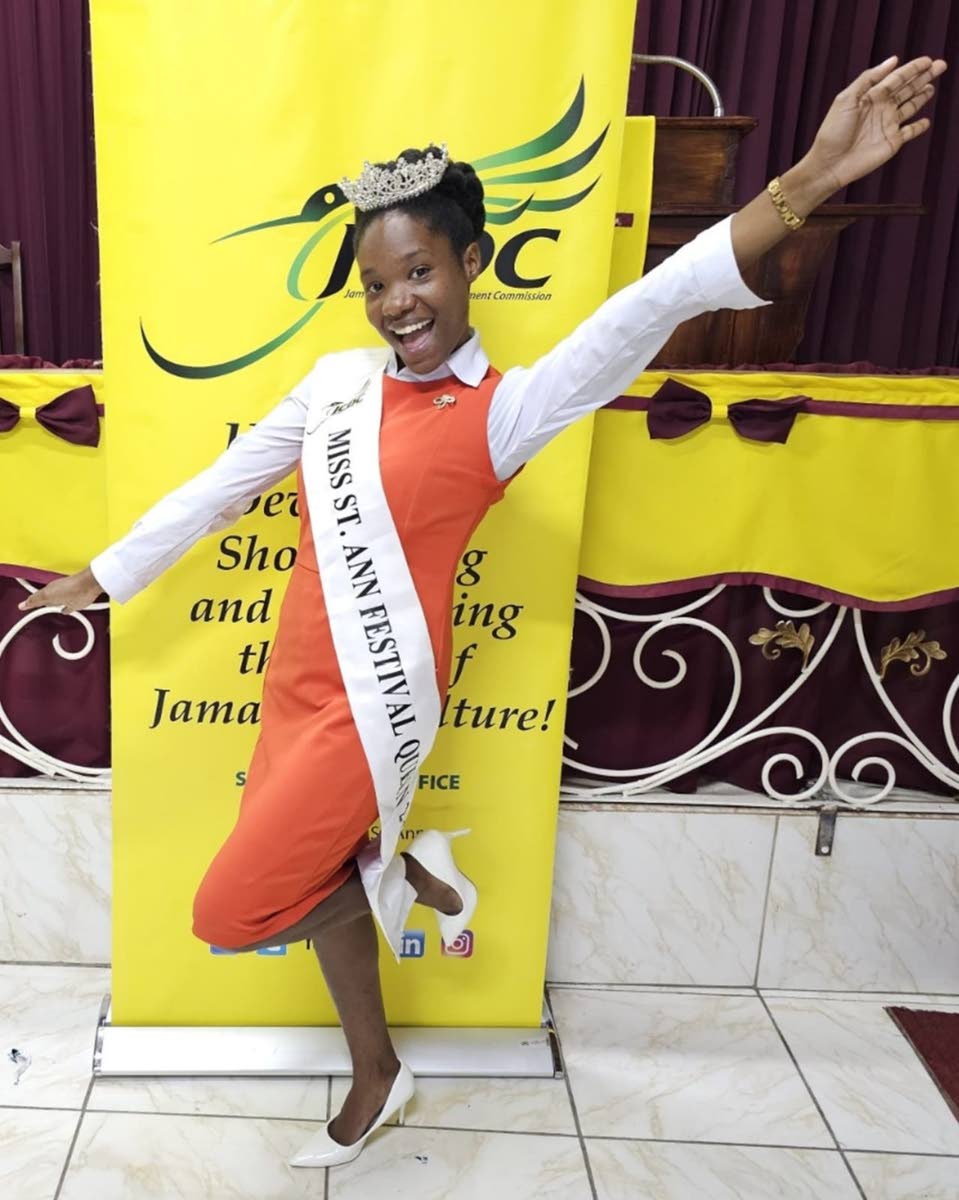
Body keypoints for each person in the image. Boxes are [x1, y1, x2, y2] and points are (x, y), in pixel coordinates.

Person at [20, 54, 946, 1168]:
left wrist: (806, 177)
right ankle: (380, 1049)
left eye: (417, 272)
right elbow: (221, 488)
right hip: (293, 684)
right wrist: (108, 571)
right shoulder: (333, 387)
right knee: (304, 878)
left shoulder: (507, 412)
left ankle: (403, 872)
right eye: (375, 284)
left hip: (373, 699)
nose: (395, 302)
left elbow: (654, 300)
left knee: (231, 909)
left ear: (468, 263)